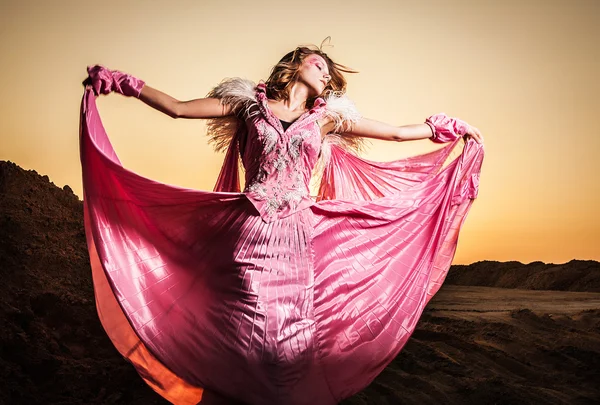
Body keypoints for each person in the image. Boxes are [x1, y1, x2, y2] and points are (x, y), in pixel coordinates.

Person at [80, 42, 484, 405]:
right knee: (246, 329)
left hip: (296, 236)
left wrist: (442, 129)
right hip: (249, 232)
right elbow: (178, 108)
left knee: (288, 340)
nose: (326, 73)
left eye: (329, 71)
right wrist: (123, 83)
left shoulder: (326, 119)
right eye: (318, 64)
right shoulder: (248, 105)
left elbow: (395, 134)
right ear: (294, 65)